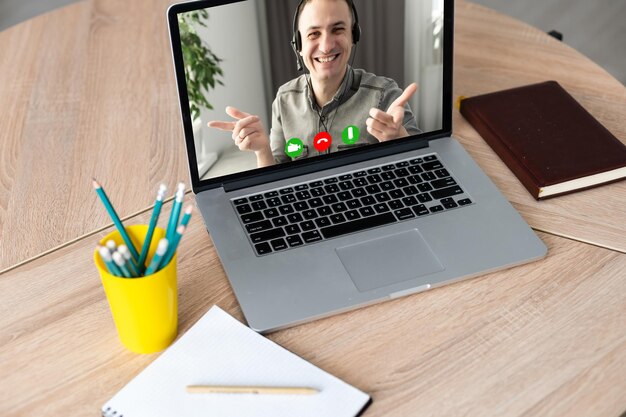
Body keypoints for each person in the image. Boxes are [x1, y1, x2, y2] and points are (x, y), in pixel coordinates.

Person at [208, 0, 420, 167]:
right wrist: (262, 151)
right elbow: (274, 182)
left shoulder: (386, 95)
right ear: (298, 45)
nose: (326, 46)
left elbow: (423, 170)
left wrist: (399, 138)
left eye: (337, 30)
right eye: (314, 34)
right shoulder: (284, 99)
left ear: (353, 35)